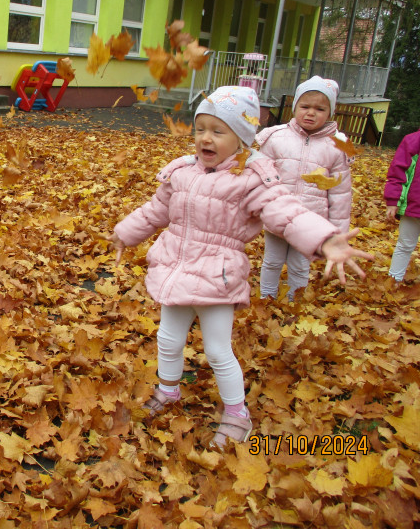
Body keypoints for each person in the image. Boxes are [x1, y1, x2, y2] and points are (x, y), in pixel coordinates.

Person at [110, 85, 372, 448]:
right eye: (201, 128)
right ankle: (169, 390)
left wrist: (324, 238)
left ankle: (237, 413)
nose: (206, 138)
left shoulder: (251, 178)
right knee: (168, 338)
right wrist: (125, 232)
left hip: (218, 276)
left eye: (219, 131)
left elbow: (286, 212)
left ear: (242, 139)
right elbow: (156, 210)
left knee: (217, 350)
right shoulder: (182, 171)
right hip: (176, 269)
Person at [254, 76, 353, 300]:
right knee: (272, 261)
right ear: (295, 107)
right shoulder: (276, 138)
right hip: (278, 215)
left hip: (311, 221)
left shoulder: (337, 147)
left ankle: (294, 301)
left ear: (330, 113)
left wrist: (338, 233)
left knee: (299, 265)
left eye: (320, 109)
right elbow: (259, 176)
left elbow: (340, 194)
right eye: (305, 106)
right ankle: (266, 299)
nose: (311, 113)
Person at [384, 127, 420, 283]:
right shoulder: (413, 141)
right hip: (414, 206)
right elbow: (398, 172)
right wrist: (393, 200)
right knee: (405, 245)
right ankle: (394, 281)